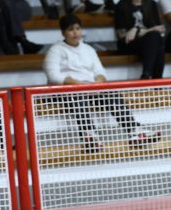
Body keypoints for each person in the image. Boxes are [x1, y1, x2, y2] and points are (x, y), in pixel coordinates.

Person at [43, 14, 161, 153]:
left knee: (111, 94)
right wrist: (77, 84)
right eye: (70, 29)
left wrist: (98, 82)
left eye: (78, 28)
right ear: (63, 32)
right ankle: (90, 137)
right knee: (78, 96)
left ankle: (134, 130)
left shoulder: (88, 49)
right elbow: (53, 76)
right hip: (65, 91)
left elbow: (100, 71)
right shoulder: (56, 50)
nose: (75, 32)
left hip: (89, 89)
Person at [114, 0, 165, 80]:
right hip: (128, 45)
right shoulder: (121, 7)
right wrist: (147, 30)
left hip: (149, 43)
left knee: (155, 39)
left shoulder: (152, 4)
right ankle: (156, 81)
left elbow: (159, 29)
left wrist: (136, 29)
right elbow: (122, 35)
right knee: (156, 42)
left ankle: (147, 75)